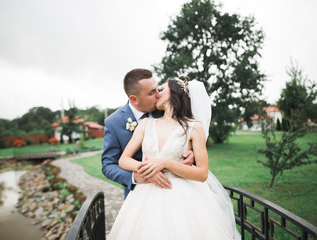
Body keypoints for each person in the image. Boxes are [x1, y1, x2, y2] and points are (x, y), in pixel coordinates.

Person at [107, 76, 241, 239]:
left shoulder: (194, 128)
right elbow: (123, 160)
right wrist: (146, 170)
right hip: (145, 198)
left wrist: (167, 163)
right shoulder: (145, 124)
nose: (157, 93)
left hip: (183, 198)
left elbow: (202, 173)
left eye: (161, 89)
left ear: (175, 94)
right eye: (155, 91)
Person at [101, 68, 194, 198]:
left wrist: (191, 152)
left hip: (176, 191)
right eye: (151, 92)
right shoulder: (113, 122)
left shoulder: (166, 109)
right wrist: (135, 176)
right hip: (140, 195)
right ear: (134, 99)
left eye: (157, 88)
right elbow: (108, 165)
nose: (158, 94)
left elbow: (188, 134)